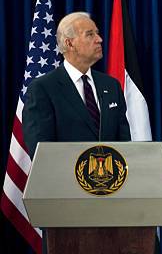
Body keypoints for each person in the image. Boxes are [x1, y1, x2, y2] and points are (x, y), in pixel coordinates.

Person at [23, 11, 131, 156]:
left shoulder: (111, 86)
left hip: (108, 176)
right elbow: (41, 152)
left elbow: (124, 144)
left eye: (97, 33)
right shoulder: (43, 88)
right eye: (90, 34)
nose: (99, 39)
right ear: (69, 43)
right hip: (64, 177)